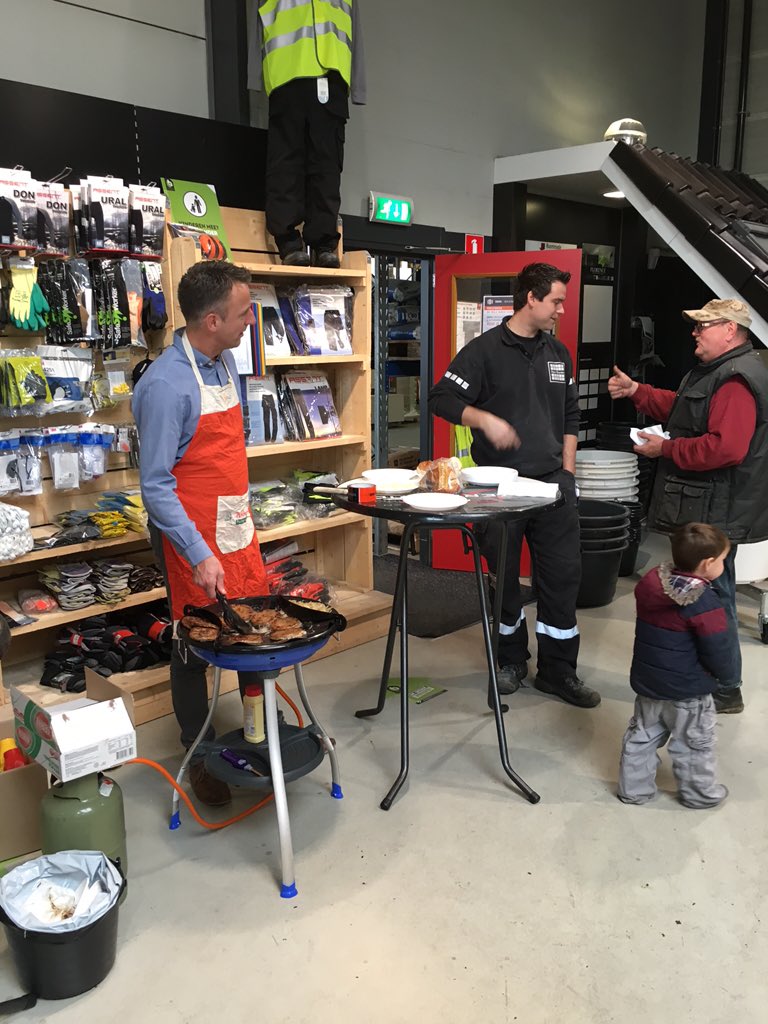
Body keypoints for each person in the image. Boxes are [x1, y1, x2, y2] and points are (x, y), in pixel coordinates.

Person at [428, 262, 600, 710]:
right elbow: (442, 398)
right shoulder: (484, 351)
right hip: (498, 488)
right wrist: (483, 418)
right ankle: (509, 662)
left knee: (562, 579)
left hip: (552, 487)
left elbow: (569, 417)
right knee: (504, 579)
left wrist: (567, 474)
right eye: (556, 301)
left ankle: (559, 672)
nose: (561, 310)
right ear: (531, 297)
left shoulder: (557, 354)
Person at [133, 261, 269, 806]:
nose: (249, 323)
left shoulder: (225, 361)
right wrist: (196, 552)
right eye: (242, 314)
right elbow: (156, 487)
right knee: (194, 643)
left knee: (254, 627)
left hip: (235, 524)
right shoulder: (167, 385)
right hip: (190, 537)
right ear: (211, 320)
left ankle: (259, 731)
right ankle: (199, 750)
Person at [608, 298, 768, 715]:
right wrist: (638, 392)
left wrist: (667, 449)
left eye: (704, 326)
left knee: (716, 597)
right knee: (711, 594)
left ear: (730, 330)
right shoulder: (719, 371)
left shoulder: (736, 379)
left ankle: (726, 688)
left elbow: (726, 447)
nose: (695, 332)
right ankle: (716, 679)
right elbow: (686, 410)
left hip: (717, 508)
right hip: (712, 505)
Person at [618, 523, 732, 808]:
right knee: (694, 744)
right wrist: (725, 675)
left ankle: (634, 789)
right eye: (721, 560)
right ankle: (699, 794)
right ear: (707, 564)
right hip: (688, 690)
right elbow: (718, 648)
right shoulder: (704, 602)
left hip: (649, 683)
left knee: (641, 736)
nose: (722, 565)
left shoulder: (650, 585)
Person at [247, 0, 366, 268]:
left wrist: (358, 86)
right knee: (285, 163)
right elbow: (259, 22)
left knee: (328, 166)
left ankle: (324, 243)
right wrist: (254, 77)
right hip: (287, 78)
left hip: (333, 82)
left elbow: (354, 33)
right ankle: (288, 239)